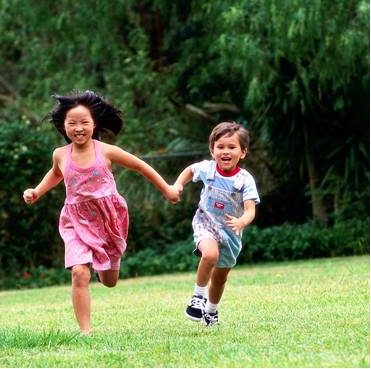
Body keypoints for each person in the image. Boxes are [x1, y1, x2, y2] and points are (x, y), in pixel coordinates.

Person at [23, 90, 180, 335]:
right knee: (78, 272)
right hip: (75, 220)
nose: (78, 128)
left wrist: (167, 189)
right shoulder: (60, 155)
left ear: (94, 124)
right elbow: (55, 174)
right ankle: (86, 331)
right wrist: (37, 191)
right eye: (72, 123)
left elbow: (140, 166)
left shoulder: (106, 151)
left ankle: (102, 267)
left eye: (84, 122)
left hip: (108, 218)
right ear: (63, 126)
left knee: (109, 281)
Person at [174, 122, 260, 327]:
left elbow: (250, 210)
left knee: (220, 278)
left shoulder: (245, 180)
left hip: (231, 233)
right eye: (220, 147)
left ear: (243, 152)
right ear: (212, 150)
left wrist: (242, 221)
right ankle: (197, 298)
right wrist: (178, 184)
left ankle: (211, 312)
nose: (225, 151)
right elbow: (189, 170)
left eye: (232, 147)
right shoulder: (208, 169)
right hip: (206, 223)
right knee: (210, 254)